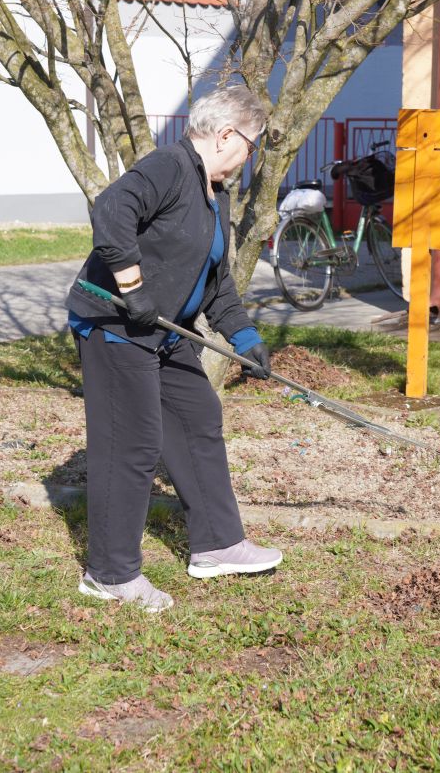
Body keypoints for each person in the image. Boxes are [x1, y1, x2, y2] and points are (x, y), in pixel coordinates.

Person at [66, 85, 281, 614]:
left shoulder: (215, 193)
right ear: (227, 133)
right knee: (133, 444)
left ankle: (216, 544)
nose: (249, 158)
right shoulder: (169, 165)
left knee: (197, 416)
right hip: (115, 326)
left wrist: (246, 339)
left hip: (164, 332)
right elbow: (111, 209)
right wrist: (132, 286)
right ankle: (109, 574)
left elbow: (216, 282)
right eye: (251, 146)